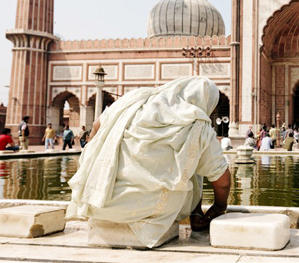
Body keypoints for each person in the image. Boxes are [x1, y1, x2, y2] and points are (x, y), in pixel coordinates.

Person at [67, 76, 231, 248]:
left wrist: (94, 160)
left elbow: (96, 126)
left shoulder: (135, 101)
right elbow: (223, 181)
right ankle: (196, 216)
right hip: (152, 211)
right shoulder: (199, 126)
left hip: (99, 201)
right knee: (192, 159)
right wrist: (219, 207)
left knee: (190, 156)